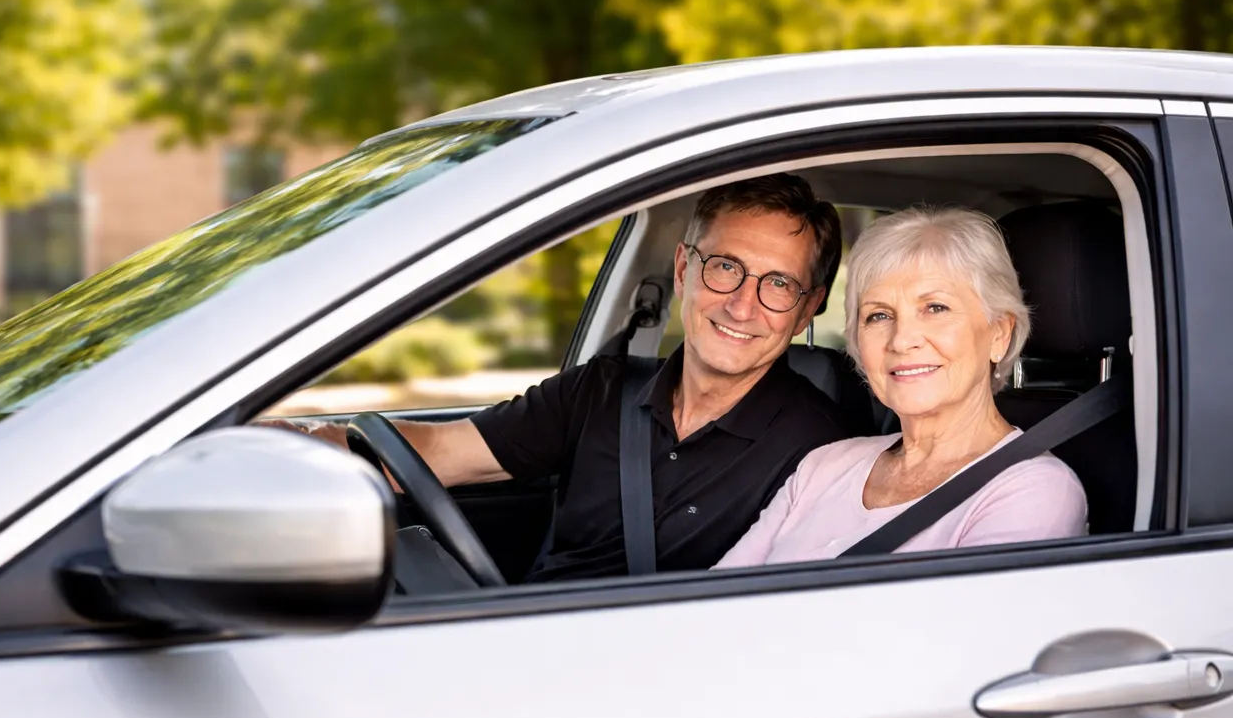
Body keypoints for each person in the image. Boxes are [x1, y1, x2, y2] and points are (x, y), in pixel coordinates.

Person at [267, 173, 852, 580]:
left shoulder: (823, 448)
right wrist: (274, 445)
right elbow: (436, 451)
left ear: (808, 308)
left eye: (778, 284)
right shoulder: (598, 391)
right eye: (726, 267)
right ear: (683, 271)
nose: (743, 305)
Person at [715, 205, 1086, 569]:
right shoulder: (823, 466)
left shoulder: (1033, 491)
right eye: (879, 315)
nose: (902, 339)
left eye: (936, 308)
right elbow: (713, 603)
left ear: (999, 334)